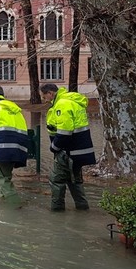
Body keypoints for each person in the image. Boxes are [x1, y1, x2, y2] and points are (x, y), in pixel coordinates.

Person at [39, 83, 96, 211]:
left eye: (44, 96)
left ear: (50, 93)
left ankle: (57, 212)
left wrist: (54, 147)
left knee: (57, 180)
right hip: (79, 150)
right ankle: (82, 209)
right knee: (75, 180)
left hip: (67, 150)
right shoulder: (73, 101)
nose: (44, 99)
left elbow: (65, 132)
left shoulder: (62, 104)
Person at [0, 86, 30, 203]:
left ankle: (14, 205)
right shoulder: (15, 108)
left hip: (2, 149)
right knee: (6, 176)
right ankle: (3, 201)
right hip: (19, 149)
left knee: (3, 179)